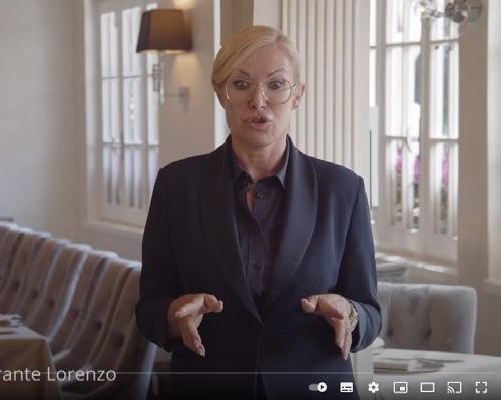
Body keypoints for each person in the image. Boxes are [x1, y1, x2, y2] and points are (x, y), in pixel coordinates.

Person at [135, 25, 381, 400]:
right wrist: (174, 314)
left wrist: (349, 311)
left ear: (297, 95)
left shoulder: (342, 189)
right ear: (220, 93)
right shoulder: (177, 186)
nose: (258, 101)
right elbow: (149, 308)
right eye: (241, 84)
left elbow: (370, 312)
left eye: (276, 85)